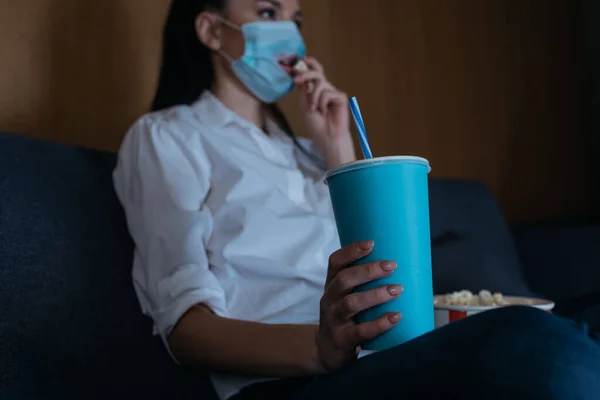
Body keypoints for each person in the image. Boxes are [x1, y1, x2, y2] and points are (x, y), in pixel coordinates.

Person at [113, 0, 600, 399]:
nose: (290, 32)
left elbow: (380, 264)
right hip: (295, 378)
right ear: (211, 30)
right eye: (267, 13)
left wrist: (338, 153)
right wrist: (321, 349)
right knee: (533, 343)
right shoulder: (169, 137)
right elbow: (187, 330)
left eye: (296, 19)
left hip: (388, 354)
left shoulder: (308, 152)